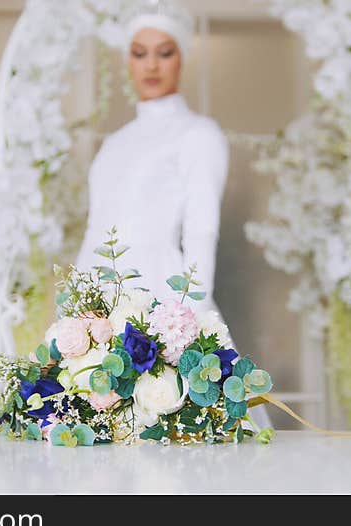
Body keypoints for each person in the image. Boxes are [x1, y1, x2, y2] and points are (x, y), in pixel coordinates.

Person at [73, 0, 271, 428]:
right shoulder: (114, 143)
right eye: (139, 53)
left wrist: (190, 313)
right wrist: (74, 307)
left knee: (171, 425)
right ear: (127, 59)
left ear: (182, 56)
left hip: (162, 292)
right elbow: (95, 229)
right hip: (94, 296)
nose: (151, 66)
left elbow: (202, 230)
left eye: (165, 52)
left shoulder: (198, 134)